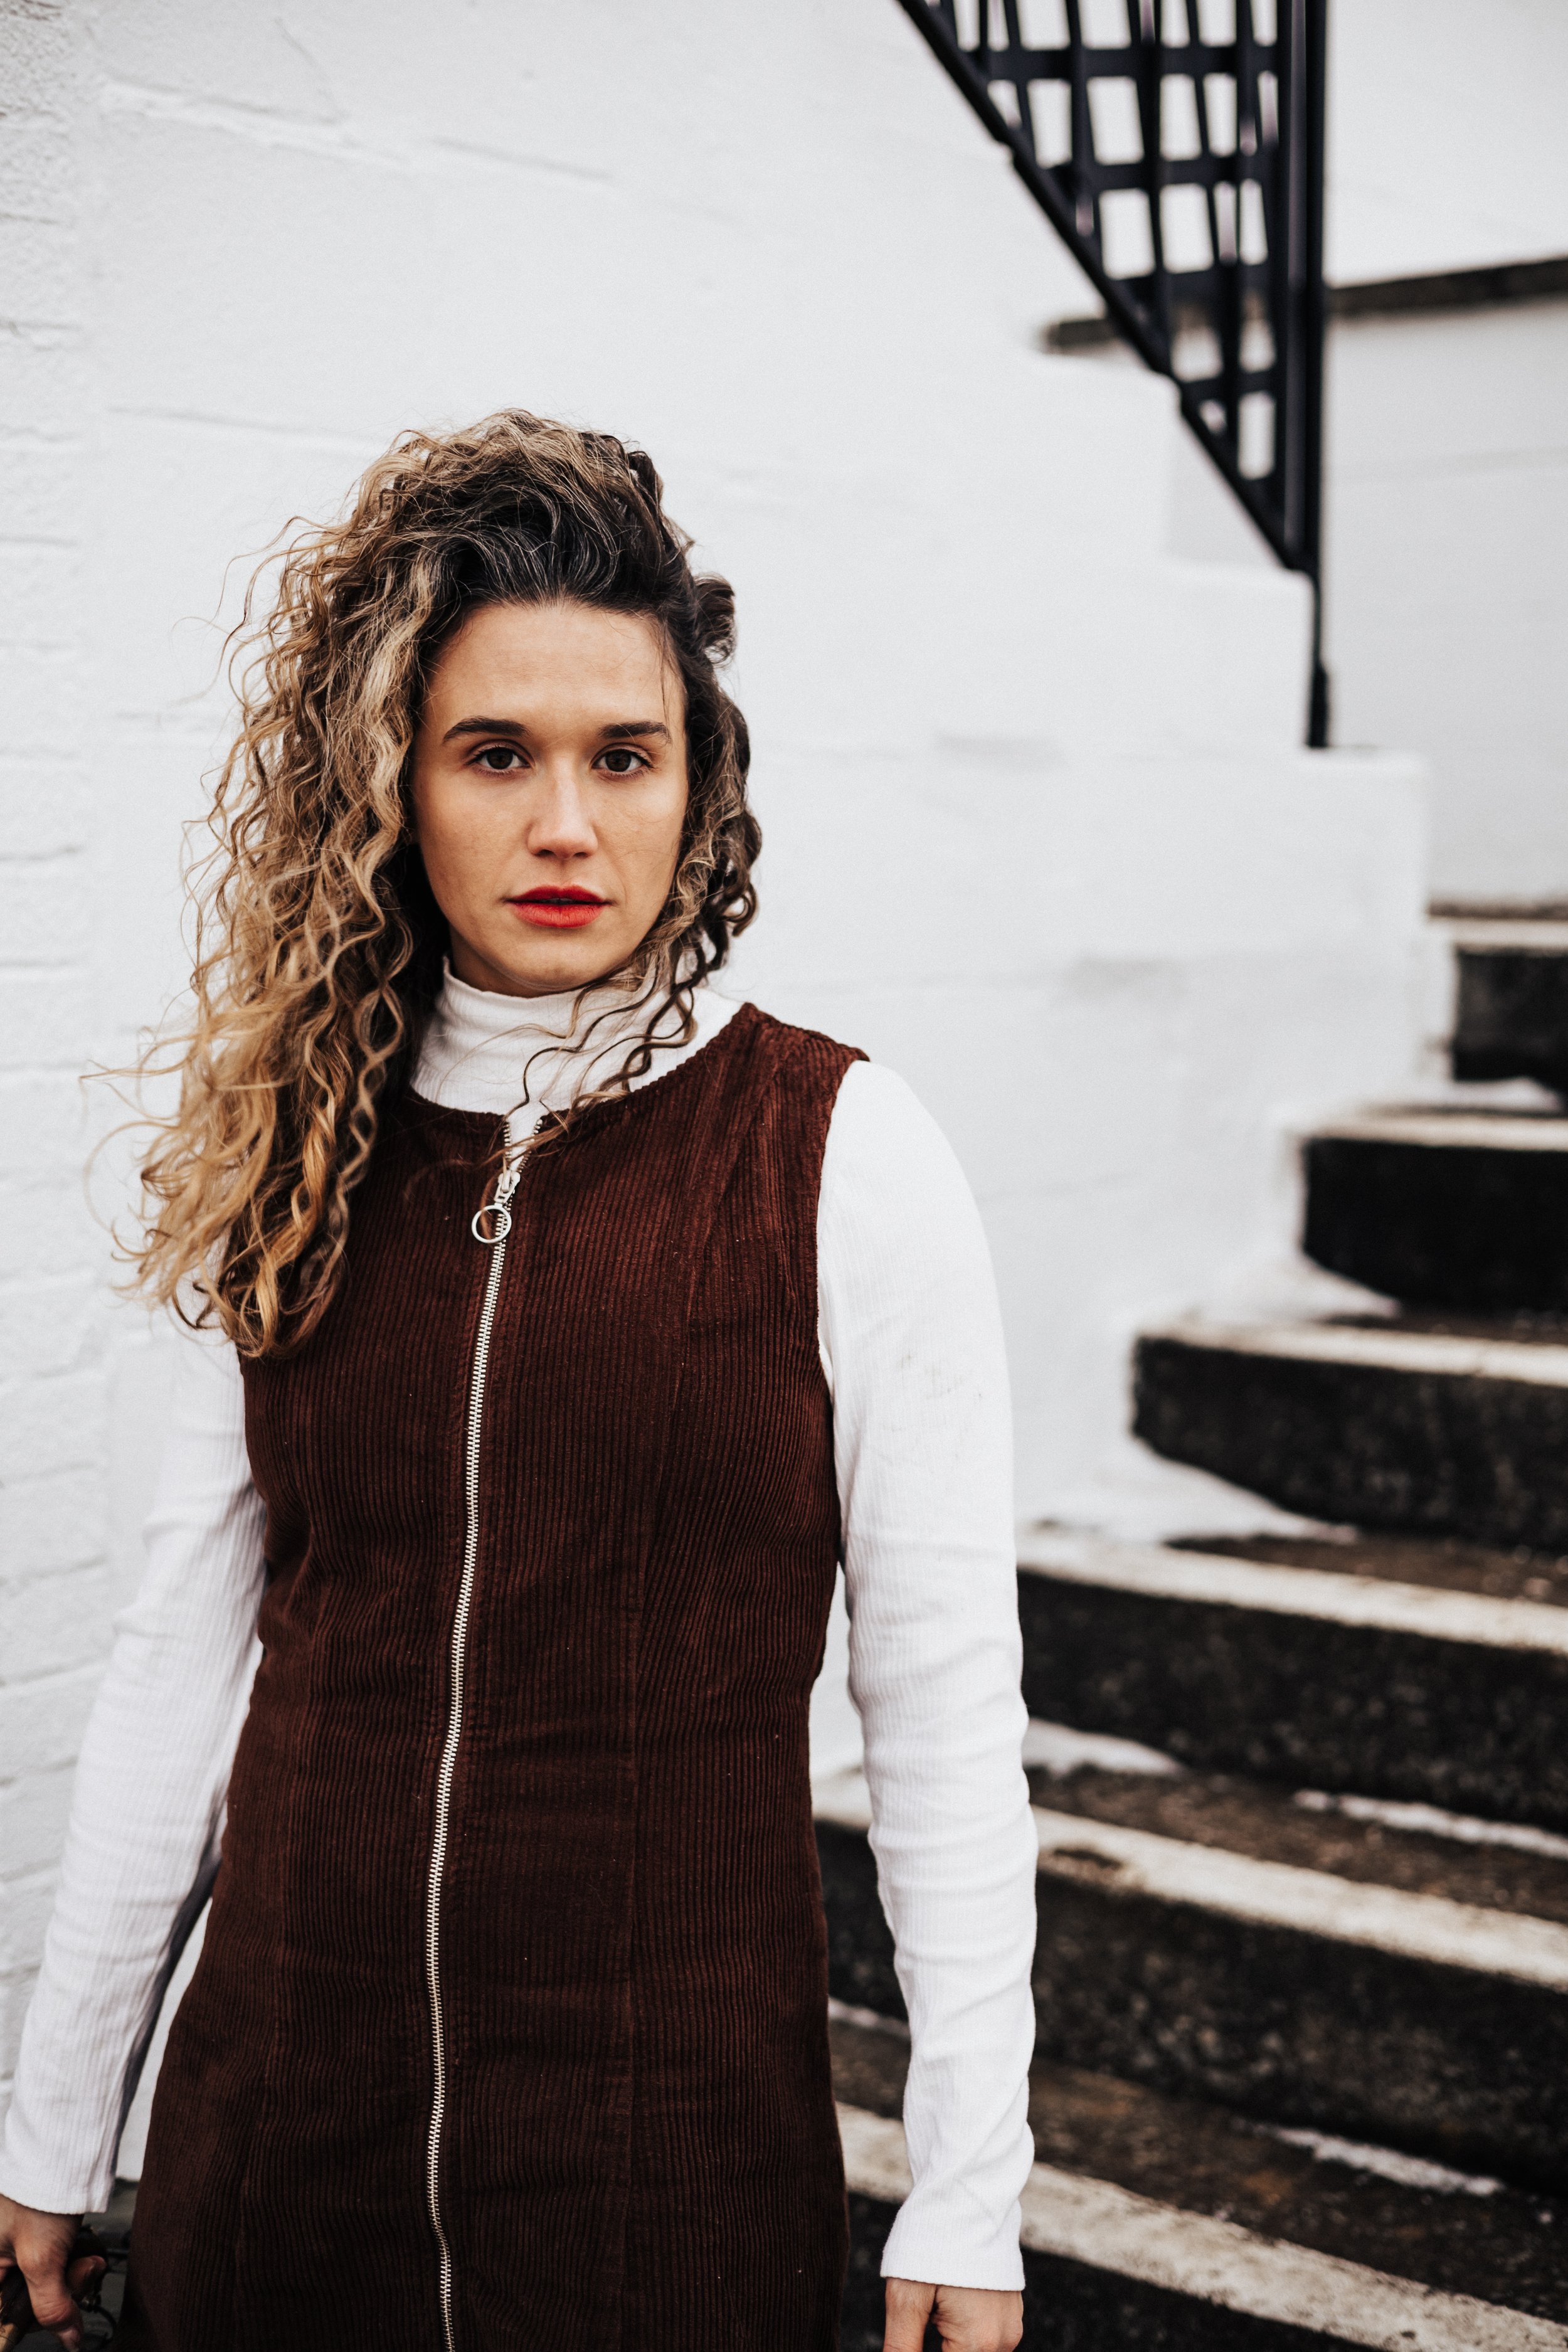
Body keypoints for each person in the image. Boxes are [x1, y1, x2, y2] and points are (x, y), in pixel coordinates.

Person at [0, 413, 1037, 2352]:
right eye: (496, 754)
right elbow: (174, 1666)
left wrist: (965, 2197)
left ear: (697, 783)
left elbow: (945, 1711)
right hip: (277, 2148)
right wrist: (54, 2126)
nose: (566, 824)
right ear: (394, 781)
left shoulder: (833, 1152)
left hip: (659, 2172)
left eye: (621, 756)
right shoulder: (304, 1143)